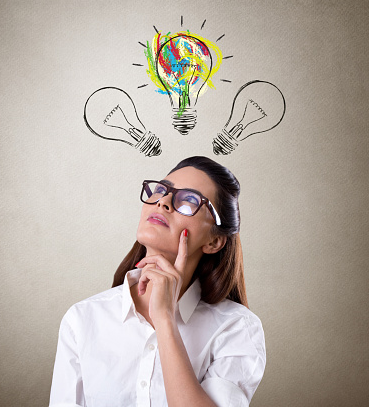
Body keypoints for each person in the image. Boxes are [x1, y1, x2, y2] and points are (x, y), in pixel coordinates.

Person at [49, 156, 266, 407]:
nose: (163, 201)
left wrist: (165, 320)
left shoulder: (236, 327)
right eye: (162, 190)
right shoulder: (83, 319)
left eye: (189, 201)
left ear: (213, 241)